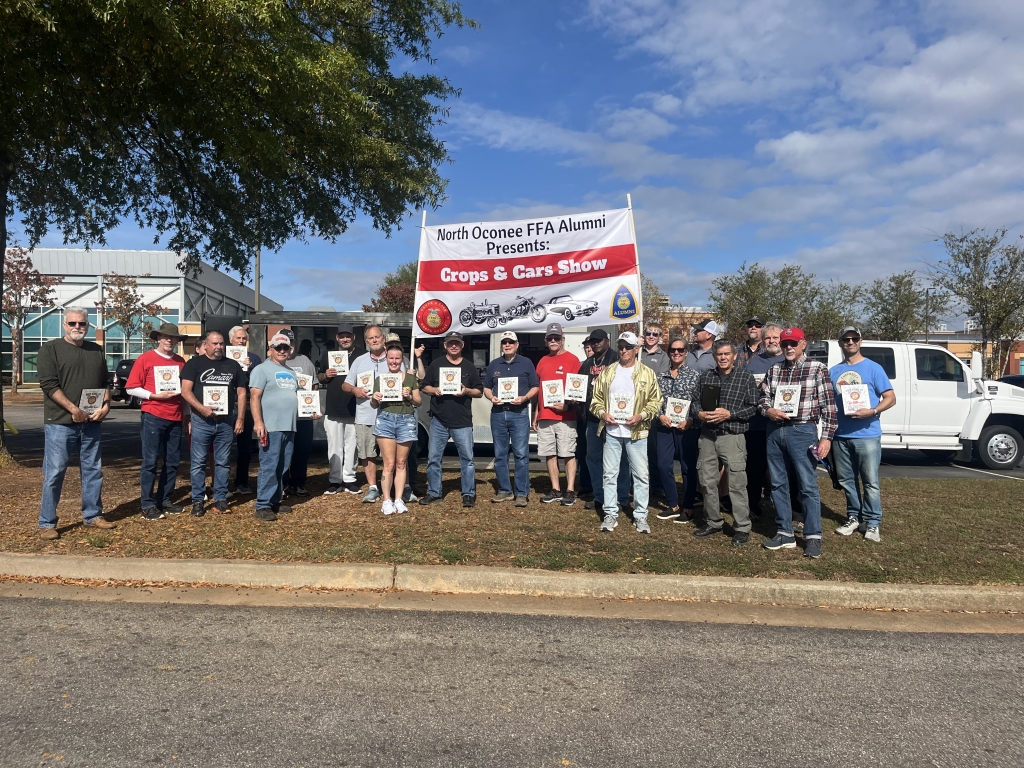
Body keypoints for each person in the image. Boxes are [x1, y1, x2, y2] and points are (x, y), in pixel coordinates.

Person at [36, 307, 115, 540]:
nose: (77, 327)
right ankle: (47, 522)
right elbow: (49, 385)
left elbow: (104, 383)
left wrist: (106, 406)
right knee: (55, 472)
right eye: (72, 323)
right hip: (60, 422)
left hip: (91, 422)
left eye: (82, 324)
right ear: (64, 325)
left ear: (88, 325)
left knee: (93, 470)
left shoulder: (96, 350)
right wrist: (74, 410)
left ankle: (92, 515)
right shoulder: (50, 349)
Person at [760, 327, 837, 558]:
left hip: (803, 431)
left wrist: (827, 437)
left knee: (807, 485)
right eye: (785, 344)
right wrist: (768, 410)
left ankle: (813, 536)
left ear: (803, 344)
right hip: (775, 431)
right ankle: (785, 532)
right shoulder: (774, 370)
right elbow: (763, 397)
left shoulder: (817, 369)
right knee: (777, 484)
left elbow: (829, 407)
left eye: (793, 343)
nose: (789, 348)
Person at [589, 331, 663, 534]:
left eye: (628, 347)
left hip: (637, 433)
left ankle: (640, 516)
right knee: (610, 474)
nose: (623, 350)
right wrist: (603, 413)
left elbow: (656, 402)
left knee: (640, 476)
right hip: (612, 432)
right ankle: (610, 513)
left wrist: (642, 415)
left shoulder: (647, 373)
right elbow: (595, 401)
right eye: (621, 346)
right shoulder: (608, 372)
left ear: (636, 349)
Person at [830, 326, 896, 543]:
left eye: (854, 339)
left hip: (867, 434)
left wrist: (873, 410)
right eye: (846, 339)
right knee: (847, 480)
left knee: (870, 481)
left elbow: (890, 398)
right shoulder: (834, 371)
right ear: (840, 343)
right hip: (841, 435)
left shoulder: (874, 368)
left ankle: (873, 522)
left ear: (860, 341)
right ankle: (853, 517)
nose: (850, 342)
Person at [692, 340, 759, 545]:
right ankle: (713, 521)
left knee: (737, 484)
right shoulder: (706, 377)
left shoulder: (745, 378)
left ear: (734, 356)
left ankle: (741, 527)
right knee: (706, 481)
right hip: (708, 436)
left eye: (726, 354)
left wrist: (730, 414)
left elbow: (753, 407)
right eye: (719, 354)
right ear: (714, 356)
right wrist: (699, 413)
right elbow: (694, 402)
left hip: (732, 436)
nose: (723, 358)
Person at [250, 333, 319, 521]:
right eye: (278, 347)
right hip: (270, 426)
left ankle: (274, 500)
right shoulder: (261, 369)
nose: (282, 351)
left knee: (282, 465)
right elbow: (254, 397)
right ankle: (262, 504)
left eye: (285, 348)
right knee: (269, 465)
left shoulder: (291, 372)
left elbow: (299, 398)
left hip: (290, 426)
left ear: (290, 350)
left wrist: (310, 410)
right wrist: (258, 422)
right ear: (270, 349)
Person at [124, 322, 188, 519]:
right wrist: (153, 396)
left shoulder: (181, 362)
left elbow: (185, 393)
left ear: (177, 340)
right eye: (165, 336)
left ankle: (165, 500)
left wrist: (186, 416)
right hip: (153, 414)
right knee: (150, 461)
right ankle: (147, 504)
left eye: (173, 337)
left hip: (176, 417)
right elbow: (131, 388)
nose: (169, 340)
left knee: (172, 462)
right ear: (158, 338)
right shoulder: (146, 359)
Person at [180, 330, 247, 516]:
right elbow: (186, 391)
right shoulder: (194, 364)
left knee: (223, 462)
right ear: (206, 345)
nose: (218, 347)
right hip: (201, 421)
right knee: (198, 462)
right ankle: (198, 501)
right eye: (215, 343)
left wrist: (240, 417)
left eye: (221, 344)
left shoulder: (233, 365)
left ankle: (220, 499)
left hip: (225, 421)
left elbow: (241, 392)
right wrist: (201, 409)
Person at [419, 331, 483, 507]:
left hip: (462, 422)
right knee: (434, 459)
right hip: (439, 420)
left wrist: (466, 391)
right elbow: (424, 386)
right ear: (445, 345)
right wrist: (435, 390)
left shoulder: (469, 367)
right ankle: (434, 493)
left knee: (467, 460)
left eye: (457, 343)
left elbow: (479, 391)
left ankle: (468, 494)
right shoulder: (436, 364)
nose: (453, 346)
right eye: (450, 343)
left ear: (462, 345)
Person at [483, 331, 538, 506]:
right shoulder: (494, 364)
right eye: (504, 342)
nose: (507, 345)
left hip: (519, 413)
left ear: (517, 344)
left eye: (510, 342)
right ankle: (505, 490)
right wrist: (491, 397)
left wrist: (525, 398)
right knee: (500, 454)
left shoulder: (526, 363)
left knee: (521, 454)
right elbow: (486, 387)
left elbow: (535, 386)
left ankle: (521, 492)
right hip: (498, 414)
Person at [577, 329, 630, 512]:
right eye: (593, 341)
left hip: (614, 419)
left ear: (607, 341)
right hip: (593, 420)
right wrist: (574, 397)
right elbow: (579, 386)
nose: (595, 344)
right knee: (593, 458)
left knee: (620, 460)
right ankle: (600, 496)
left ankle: (622, 498)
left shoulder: (617, 360)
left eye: (599, 341)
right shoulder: (587, 363)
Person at [652, 337, 701, 522]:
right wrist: (660, 415)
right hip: (664, 427)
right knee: (664, 465)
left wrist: (690, 419)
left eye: (680, 350)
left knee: (688, 468)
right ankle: (673, 504)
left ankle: (688, 507)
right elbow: (654, 401)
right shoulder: (661, 376)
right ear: (669, 352)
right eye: (673, 350)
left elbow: (698, 403)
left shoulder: (695, 376)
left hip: (686, 428)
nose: (677, 353)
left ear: (686, 352)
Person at [370, 342, 422, 515]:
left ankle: (398, 499)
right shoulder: (380, 379)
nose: (394, 361)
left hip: (406, 420)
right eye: (391, 358)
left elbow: (418, 401)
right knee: (389, 463)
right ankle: (386, 500)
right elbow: (373, 404)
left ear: (402, 359)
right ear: (387, 360)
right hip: (385, 419)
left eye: (397, 358)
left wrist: (409, 397)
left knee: (401, 463)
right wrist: (375, 398)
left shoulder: (410, 378)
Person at [534, 322, 581, 505]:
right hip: (545, 416)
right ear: (546, 341)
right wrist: (536, 414)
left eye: (557, 338)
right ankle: (555, 489)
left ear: (563, 339)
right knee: (549, 454)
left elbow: (577, 389)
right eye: (550, 338)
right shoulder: (542, 361)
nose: (553, 341)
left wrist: (568, 407)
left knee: (568, 453)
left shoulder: (573, 359)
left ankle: (570, 490)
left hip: (566, 417)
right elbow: (539, 390)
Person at [344, 325, 390, 502]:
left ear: (383, 338)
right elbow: (345, 385)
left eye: (377, 337)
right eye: (371, 338)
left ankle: (391, 485)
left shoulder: (394, 358)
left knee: (390, 455)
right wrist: (355, 389)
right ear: (366, 341)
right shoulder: (359, 361)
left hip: (390, 415)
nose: (375, 340)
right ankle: (372, 488)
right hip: (365, 415)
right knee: (367, 453)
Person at [317, 323, 362, 495]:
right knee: (334, 447)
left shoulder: (362, 355)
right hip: (333, 407)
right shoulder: (328, 355)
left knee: (352, 446)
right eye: (342, 336)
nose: (345, 339)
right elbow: (319, 376)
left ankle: (350, 479)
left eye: (348, 336)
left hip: (355, 407)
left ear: (353, 337)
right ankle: (335, 480)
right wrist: (326, 375)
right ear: (337, 338)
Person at [744, 323, 784, 515]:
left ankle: (786, 507)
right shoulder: (754, 362)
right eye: (768, 338)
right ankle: (753, 506)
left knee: (781, 469)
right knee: (755, 468)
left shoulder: (788, 359)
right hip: (756, 424)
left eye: (775, 338)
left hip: (782, 425)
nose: (771, 341)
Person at [279, 328, 316, 497]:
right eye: (285, 343)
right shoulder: (275, 362)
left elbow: (314, 385)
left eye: (292, 342)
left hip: (303, 416)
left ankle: (298, 484)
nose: (289, 346)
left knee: (303, 450)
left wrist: (313, 405)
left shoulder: (305, 361)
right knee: (284, 451)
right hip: (284, 417)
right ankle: (282, 484)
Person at [227, 325, 262, 495]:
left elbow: (259, 383)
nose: (241, 341)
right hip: (224, 408)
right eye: (238, 338)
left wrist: (249, 369)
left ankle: (242, 482)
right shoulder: (221, 358)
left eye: (244, 339)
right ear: (230, 340)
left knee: (245, 448)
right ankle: (221, 484)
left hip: (245, 408)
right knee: (223, 447)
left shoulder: (254, 358)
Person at [640, 322, 670, 500]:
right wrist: (636, 347)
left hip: (651, 408)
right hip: (633, 407)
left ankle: (656, 486)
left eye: (655, 334)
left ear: (660, 337)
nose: (651, 336)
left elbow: (660, 382)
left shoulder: (663, 357)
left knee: (653, 450)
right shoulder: (637, 352)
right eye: (648, 333)